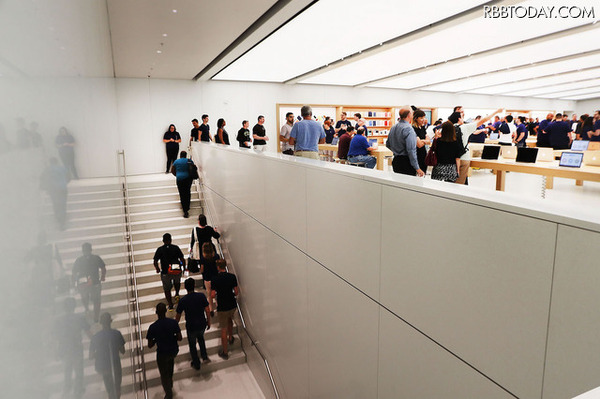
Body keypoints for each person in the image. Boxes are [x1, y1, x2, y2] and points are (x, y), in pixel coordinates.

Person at [448, 108, 500, 185]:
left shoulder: (448, 128)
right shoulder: (465, 127)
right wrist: (497, 111)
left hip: (450, 158)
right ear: (459, 119)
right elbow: (484, 120)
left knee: (449, 183)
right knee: (459, 184)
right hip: (463, 157)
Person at [55, 297, 90, 399]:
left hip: (65, 348)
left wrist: (56, 350)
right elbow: (89, 332)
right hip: (76, 348)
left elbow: (56, 337)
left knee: (67, 369)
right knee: (79, 371)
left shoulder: (59, 320)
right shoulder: (80, 318)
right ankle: (77, 391)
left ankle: (66, 390)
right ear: (74, 306)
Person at [147, 303, 182, 399]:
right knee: (170, 367)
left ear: (156, 312)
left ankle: (168, 393)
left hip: (162, 353)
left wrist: (156, 339)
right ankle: (170, 383)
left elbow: (150, 345)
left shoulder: (153, 327)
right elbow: (180, 338)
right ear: (166, 311)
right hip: (173, 350)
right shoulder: (173, 323)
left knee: (163, 373)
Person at [176, 278, 211, 370]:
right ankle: (204, 357)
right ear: (194, 285)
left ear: (185, 287)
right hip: (202, 323)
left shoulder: (183, 300)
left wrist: (175, 326)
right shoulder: (201, 296)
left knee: (192, 344)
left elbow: (178, 315)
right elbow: (207, 310)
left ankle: (196, 363)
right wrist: (209, 321)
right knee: (201, 339)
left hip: (191, 325)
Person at [89, 313, 125, 399]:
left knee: (109, 389)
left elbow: (90, 356)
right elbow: (123, 351)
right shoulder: (117, 333)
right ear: (110, 322)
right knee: (117, 388)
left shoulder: (96, 337)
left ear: (101, 323)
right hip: (116, 364)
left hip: (104, 366)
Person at [211, 259, 239, 360]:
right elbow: (236, 292)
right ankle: (231, 337)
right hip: (232, 304)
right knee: (230, 319)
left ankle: (225, 352)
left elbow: (213, 294)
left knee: (223, 329)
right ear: (225, 265)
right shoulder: (232, 277)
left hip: (222, 306)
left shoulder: (215, 279)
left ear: (218, 267)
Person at [72, 242, 106, 323]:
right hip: (90, 283)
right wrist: (103, 276)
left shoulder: (80, 260)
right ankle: (92, 313)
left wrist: (102, 277)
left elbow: (74, 272)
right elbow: (103, 268)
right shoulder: (94, 258)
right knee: (93, 300)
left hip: (90, 283)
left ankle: (93, 314)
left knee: (93, 300)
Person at [386, 108, 424, 177]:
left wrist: (396, 150)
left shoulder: (393, 127)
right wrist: (417, 168)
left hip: (396, 161)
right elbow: (411, 150)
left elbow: (388, 144)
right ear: (409, 115)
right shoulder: (409, 129)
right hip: (407, 163)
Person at [153, 233, 186, 310]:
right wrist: (184, 267)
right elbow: (182, 259)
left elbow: (155, 261)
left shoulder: (160, 249)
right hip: (176, 270)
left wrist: (157, 269)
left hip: (165, 272)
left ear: (163, 241)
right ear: (171, 240)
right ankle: (177, 294)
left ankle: (170, 305)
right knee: (177, 282)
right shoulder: (176, 248)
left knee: (167, 288)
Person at [40, 157, 69, 230]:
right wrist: (64, 183)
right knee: (63, 204)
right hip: (62, 189)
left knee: (55, 204)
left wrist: (46, 188)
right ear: (57, 162)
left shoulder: (47, 170)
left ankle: (58, 218)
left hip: (53, 190)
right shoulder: (62, 168)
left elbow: (42, 179)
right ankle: (63, 222)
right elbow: (68, 177)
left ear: (50, 162)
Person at [170, 151, 195, 218]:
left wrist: (178, 175)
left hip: (180, 179)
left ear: (180, 155)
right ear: (186, 155)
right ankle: (187, 207)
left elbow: (172, 171)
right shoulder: (189, 161)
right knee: (187, 192)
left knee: (182, 193)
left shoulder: (176, 162)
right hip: (188, 179)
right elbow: (193, 169)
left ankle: (185, 210)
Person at [199, 242, 220, 314]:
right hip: (215, 277)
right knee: (217, 292)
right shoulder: (216, 256)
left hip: (207, 278)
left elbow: (202, 269)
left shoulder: (203, 258)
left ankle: (211, 309)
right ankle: (218, 306)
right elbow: (218, 266)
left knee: (209, 294)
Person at [412, 109, 432, 174]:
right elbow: (419, 145)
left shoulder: (422, 127)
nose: (424, 119)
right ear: (416, 119)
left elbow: (429, 141)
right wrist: (425, 141)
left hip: (423, 154)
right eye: (421, 118)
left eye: (424, 117)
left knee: (423, 174)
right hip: (416, 155)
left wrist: (423, 141)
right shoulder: (413, 129)